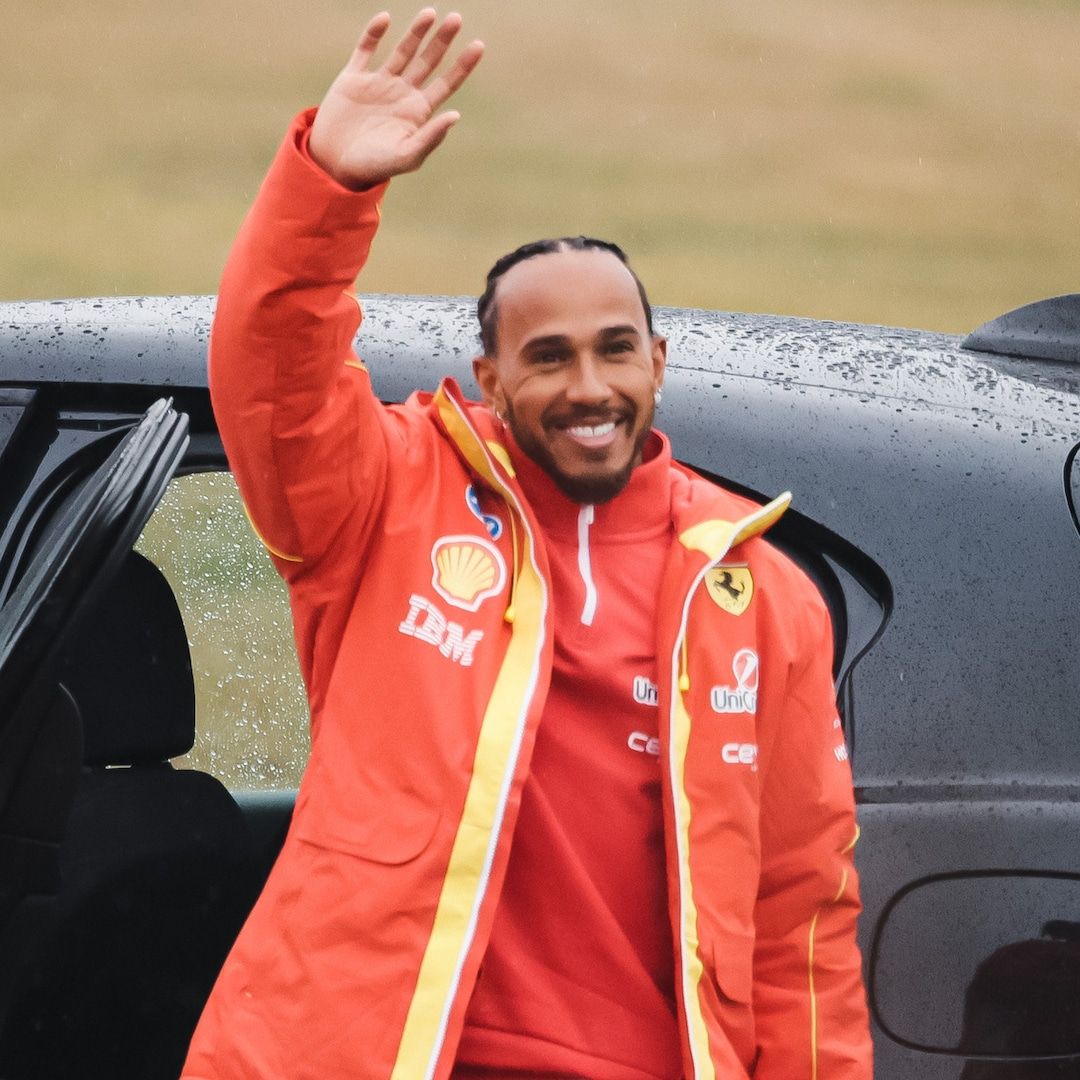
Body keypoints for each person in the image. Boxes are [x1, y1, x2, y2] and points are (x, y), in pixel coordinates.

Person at [182, 9, 873, 1079]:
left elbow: (804, 921)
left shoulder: (762, 596)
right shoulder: (387, 498)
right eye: (548, 357)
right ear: (491, 381)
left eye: (615, 351)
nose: (589, 387)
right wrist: (329, 188)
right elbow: (271, 372)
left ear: (658, 363)